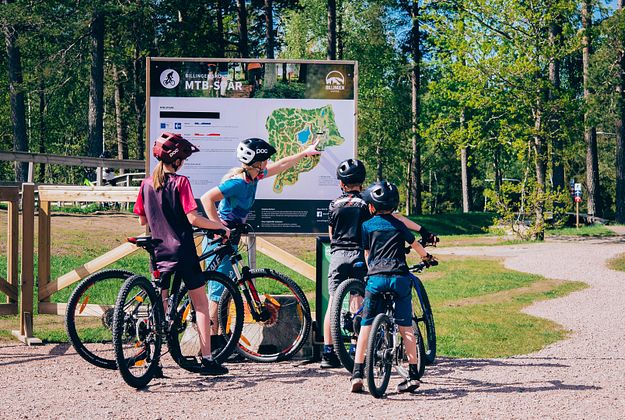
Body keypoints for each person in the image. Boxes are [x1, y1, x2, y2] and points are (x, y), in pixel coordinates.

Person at [200, 137, 321, 345]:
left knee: (226, 290)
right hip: (218, 240)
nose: (268, 162)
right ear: (258, 162)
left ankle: (219, 341)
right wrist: (220, 227)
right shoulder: (237, 182)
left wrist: (304, 153)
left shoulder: (253, 177)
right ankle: (213, 343)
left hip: (230, 239)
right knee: (217, 293)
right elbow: (206, 199)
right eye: (265, 159)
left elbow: (280, 166)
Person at [321, 159, 437, 369]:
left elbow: (330, 233)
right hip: (359, 253)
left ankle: (328, 352)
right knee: (358, 297)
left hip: (337, 253)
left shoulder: (333, 204)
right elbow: (394, 218)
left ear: (341, 184)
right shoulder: (367, 203)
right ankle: (356, 347)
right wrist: (422, 230)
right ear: (362, 182)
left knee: (333, 302)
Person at [133, 132, 231, 376]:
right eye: (183, 159)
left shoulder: (146, 184)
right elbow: (192, 218)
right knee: (200, 304)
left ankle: (153, 361)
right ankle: (207, 359)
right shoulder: (181, 182)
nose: (184, 163)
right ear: (176, 161)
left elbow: (142, 219)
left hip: (158, 250)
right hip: (183, 250)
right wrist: (219, 226)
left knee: (161, 305)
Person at [349, 180, 436, 393]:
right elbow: (415, 245)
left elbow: (367, 254)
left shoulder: (366, 226)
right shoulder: (399, 225)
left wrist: (372, 272)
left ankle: (357, 373)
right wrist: (427, 257)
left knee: (366, 326)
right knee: (406, 326)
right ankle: (413, 375)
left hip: (376, 280)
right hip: (399, 278)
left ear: (371, 207)